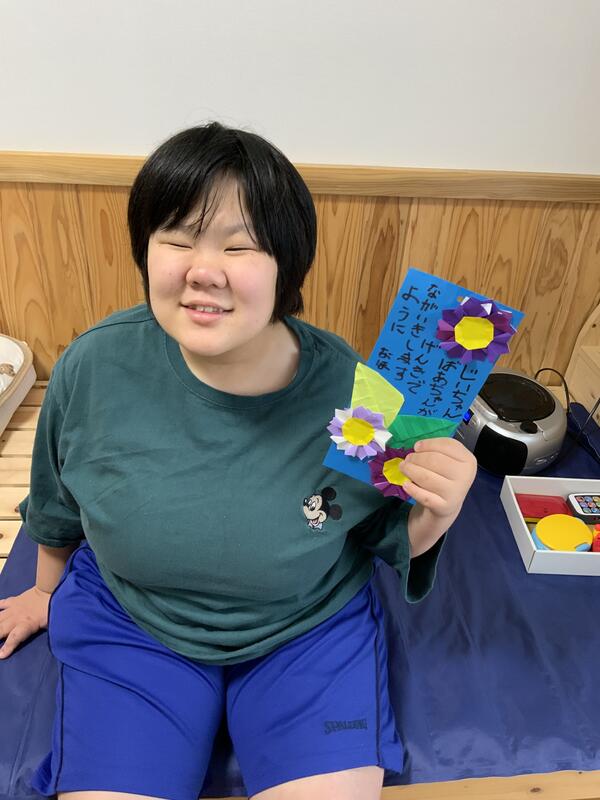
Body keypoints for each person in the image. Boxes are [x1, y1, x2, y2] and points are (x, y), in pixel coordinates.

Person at [0, 122, 477, 800]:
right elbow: (56, 499)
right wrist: (45, 592)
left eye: (239, 245)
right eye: (177, 238)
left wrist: (440, 509)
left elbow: (382, 533)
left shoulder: (355, 391)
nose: (203, 270)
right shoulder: (94, 366)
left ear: (287, 264)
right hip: (132, 622)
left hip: (308, 629)